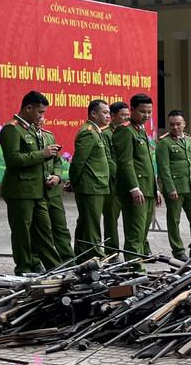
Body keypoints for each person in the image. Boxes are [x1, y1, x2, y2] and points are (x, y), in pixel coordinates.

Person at [0, 91, 62, 274]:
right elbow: (13, 159)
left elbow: (52, 161)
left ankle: (55, 268)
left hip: (39, 191)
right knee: (22, 233)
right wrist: (42, 154)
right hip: (20, 191)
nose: (42, 116)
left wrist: (54, 176)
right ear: (28, 108)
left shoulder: (33, 129)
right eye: (40, 112)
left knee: (45, 232)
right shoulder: (12, 129)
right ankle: (24, 268)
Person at [113, 93, 161, 262]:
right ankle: (133, 268)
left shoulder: (140, 131)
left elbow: (147, 163)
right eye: (142, 112)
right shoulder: (125, 131)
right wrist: (134, 188)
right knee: (135, 233)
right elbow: (125, 162)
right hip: (136, 190)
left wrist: (156, 189)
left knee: (143, 232)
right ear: (131, 110)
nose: (146, 116)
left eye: (149, 112)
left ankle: (137, 264)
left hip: (147, 189)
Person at [156, 110, 191, 260]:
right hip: (175, 190)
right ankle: (178, 251)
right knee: (174, 220)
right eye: (172, 124)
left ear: (184, 124)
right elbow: (164, 169)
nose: (175, 127)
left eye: (178, 124)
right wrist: (170, 188)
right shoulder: (164, 143)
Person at [69, 99, 111, 258]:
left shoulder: (96, 131)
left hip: (96, 185)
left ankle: (80, 255)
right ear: (93, 114)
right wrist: (74, 182)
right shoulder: (88, 132)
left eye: (108, 113)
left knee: (86, 222)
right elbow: (79, 161)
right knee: (92, 223)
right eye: (104, 112)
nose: (108, 116)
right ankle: (96, 255)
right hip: (90, 186)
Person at [38, 117, 74, 263]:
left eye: (43, 116)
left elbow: (57, 161)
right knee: (42, 230)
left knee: (61, 228)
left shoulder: (48, 135)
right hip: (36, 191)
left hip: (53, 191)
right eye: (38, 114)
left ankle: (69, 260)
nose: (41, 119)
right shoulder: (23, 135)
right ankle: (37, 262)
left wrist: (58, 176)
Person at [103, 101, 129, 250]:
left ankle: (139, 248)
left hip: (129, 182)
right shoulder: (106, 133)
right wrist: (121, 175)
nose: (126, 118)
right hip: (114, 182)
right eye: (123, 115)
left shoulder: (129, 131)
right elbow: (109, 158)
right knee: (111, 219)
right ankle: (111, 250)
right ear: (113, 116)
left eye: (127, 115)